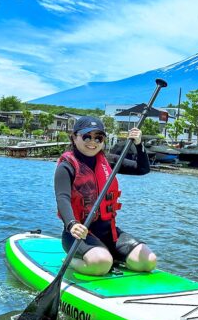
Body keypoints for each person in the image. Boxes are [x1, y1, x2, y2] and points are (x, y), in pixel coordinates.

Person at [54, 116, 156, 276]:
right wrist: (72, 224)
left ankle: (111, 256)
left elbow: (142, 169)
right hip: (78, 234)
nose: (92, 142)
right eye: (86, 136)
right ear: (74, 137)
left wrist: (138, 144)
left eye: (98, 137)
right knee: (101, 264)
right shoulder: (67, 166)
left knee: (147, 261)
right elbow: (62, 198)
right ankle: (72, 261)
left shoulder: (109, 161)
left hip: (109, 233)